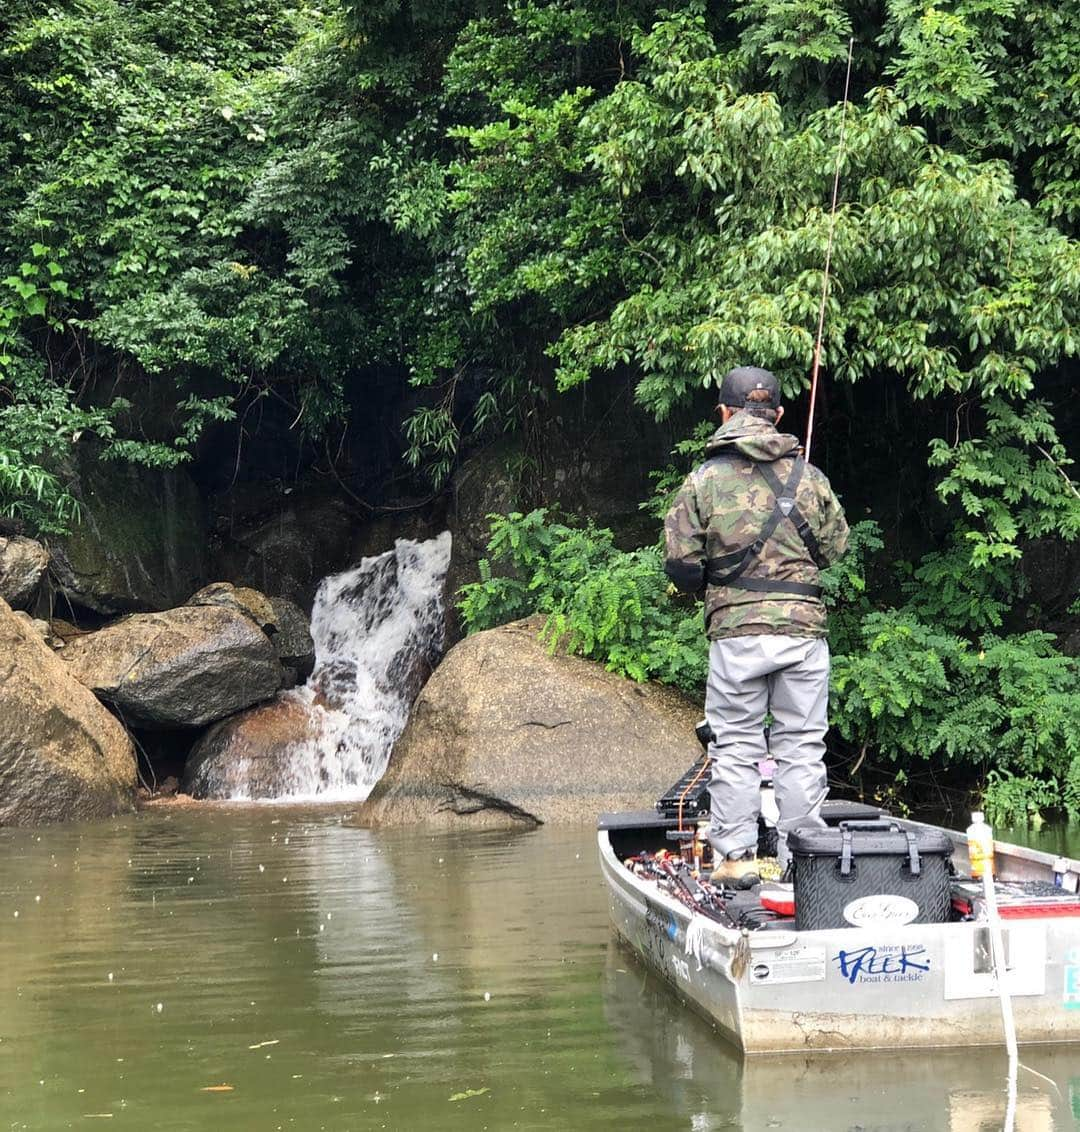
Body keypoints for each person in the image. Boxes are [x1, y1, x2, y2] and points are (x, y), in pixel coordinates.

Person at [663, 366, 849, 887]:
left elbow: (679, 566)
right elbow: (836, 550)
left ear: (723, 413)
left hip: (737, 638)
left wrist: (713, 582)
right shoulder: (809, 478)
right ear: (780, 416)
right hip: (803, 637)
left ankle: (737, 859)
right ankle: (805, 861)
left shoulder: (702, 481)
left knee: (737, 747)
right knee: (802, 747)